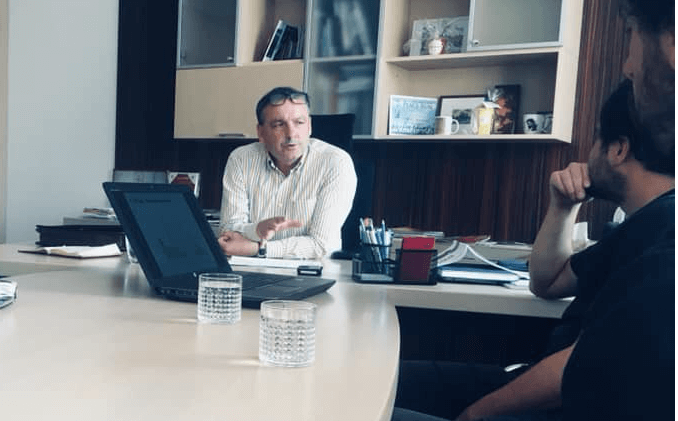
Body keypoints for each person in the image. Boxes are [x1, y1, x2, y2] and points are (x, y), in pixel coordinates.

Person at [392, 1, 675, 418]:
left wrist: (475, 414)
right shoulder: (640, 226)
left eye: (596, 139)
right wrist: (562, 206)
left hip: (547, 405)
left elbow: (585, 365)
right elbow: (547, 281)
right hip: (528, 382)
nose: (629, 66)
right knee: (383, 378)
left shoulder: (663, 228)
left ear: (618, 149)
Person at [218, 87, 357, 259]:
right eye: (279, 124)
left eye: (299, 122)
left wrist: (259, 249)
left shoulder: (336, 162)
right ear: (260, 132)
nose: (291, 134)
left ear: (309, 126)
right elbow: (228, 232)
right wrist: (256, 230)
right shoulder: (241, 159)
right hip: (250, 268)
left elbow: (322, 245)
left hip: (312, 270)